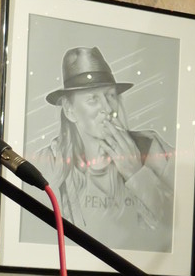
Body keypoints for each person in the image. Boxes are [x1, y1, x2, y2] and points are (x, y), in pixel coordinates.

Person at [35, 46, 175, 251]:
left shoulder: (152, 148)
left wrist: (136, 173)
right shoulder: (49, 163)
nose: (108, 109)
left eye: (110, 96)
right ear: (69, 110)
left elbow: (182, 221)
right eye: (93, 99)